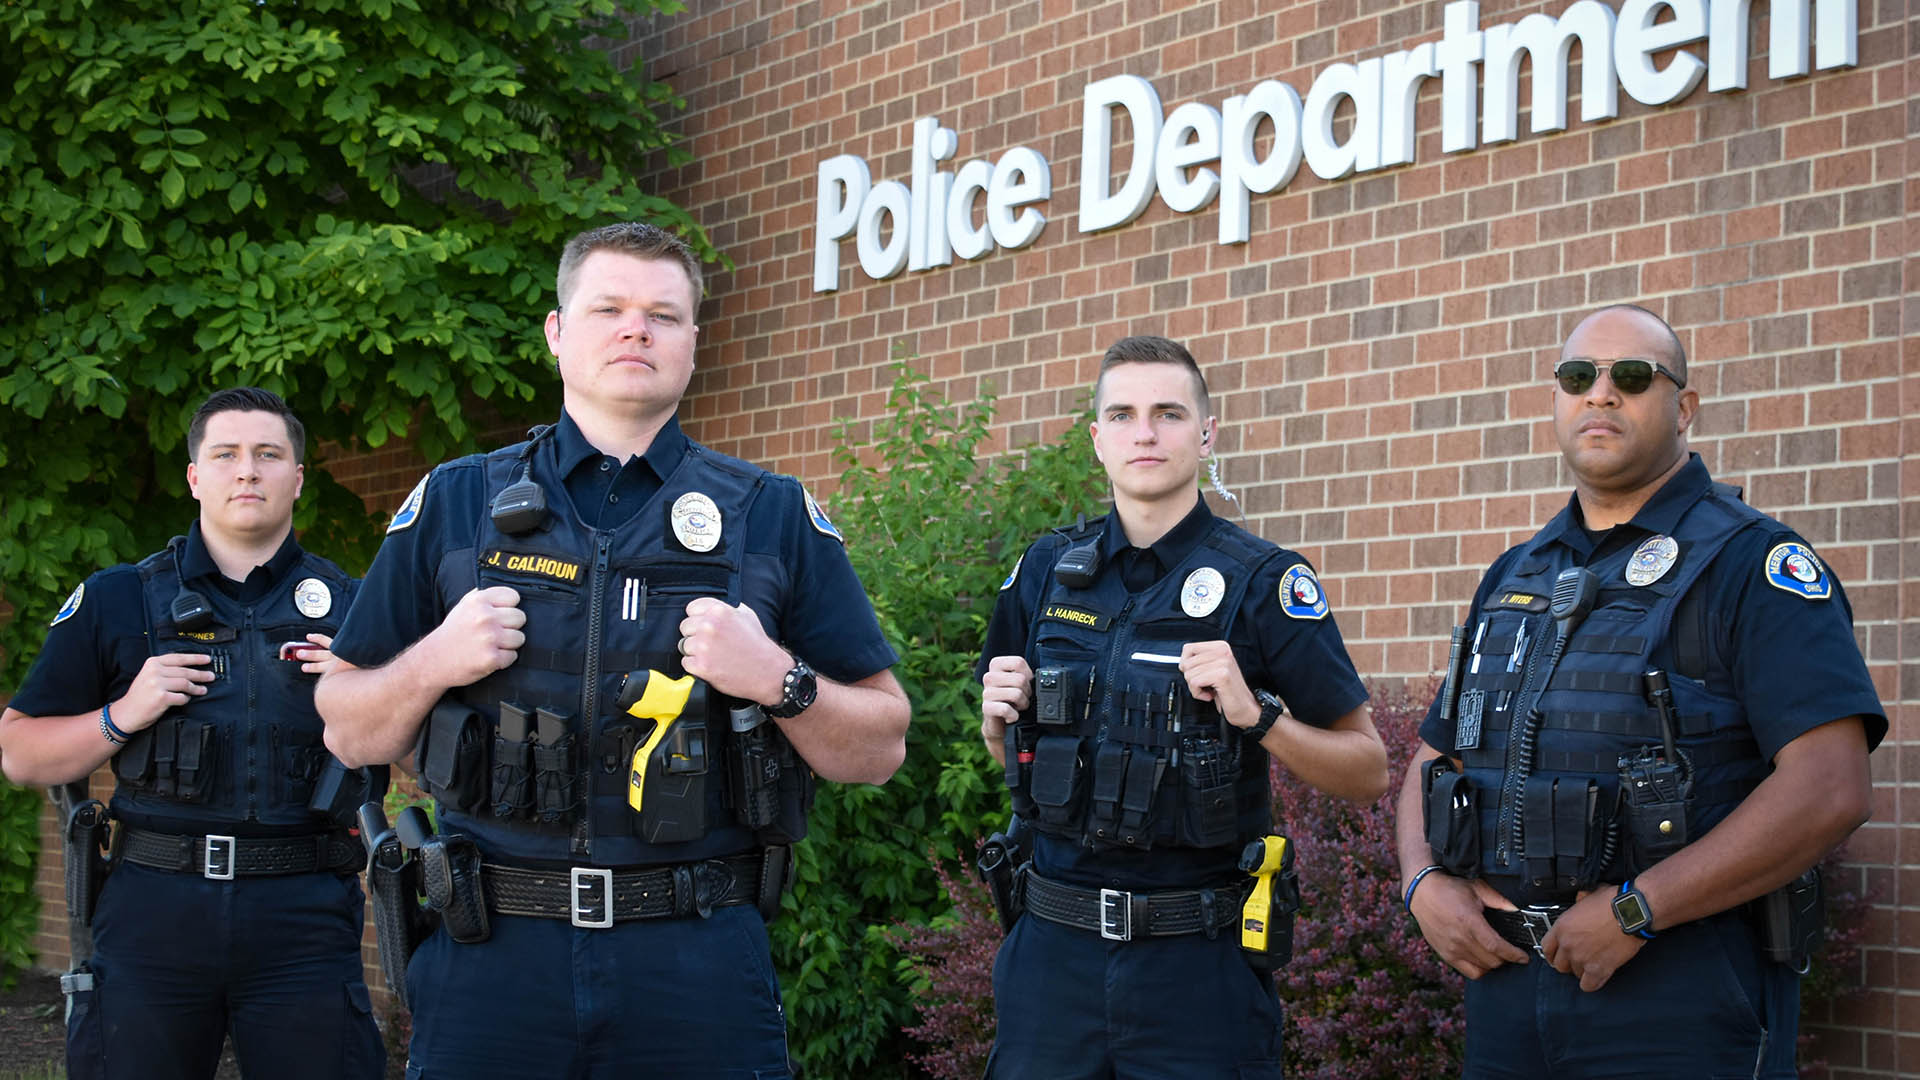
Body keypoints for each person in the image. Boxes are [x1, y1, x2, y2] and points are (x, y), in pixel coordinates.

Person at [315, 221, 910, 1077]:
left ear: (693, 344)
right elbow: (346, 729)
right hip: (494, 960)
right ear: (558, 334)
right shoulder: (457, 502)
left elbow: (882, 744)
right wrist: (437, 659)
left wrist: (779, 679)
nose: (637, 329)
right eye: (610, 308)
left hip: (695, 965)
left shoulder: (770, 514)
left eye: (663, 315)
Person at [1394, 304, 1885, 1077]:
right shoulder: (1517, 573)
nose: (1600, 394)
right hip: (1509, 990)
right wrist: (1421, 882)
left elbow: (1831, 787)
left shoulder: (1753, 564)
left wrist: (1637, 910)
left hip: (1683, 996)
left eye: (1631, 376)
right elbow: (1435, 753)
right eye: (1578, 377)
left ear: (1682, 407)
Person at [976, 335, 1390, 1078]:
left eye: (1168, 413)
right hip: (1049, 967)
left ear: (1205, 434)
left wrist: (1259, 718)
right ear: (1096, 439)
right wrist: (993, 725)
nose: (1145, 432)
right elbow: (1014, 756)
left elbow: (1367, 769)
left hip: (1196, 972)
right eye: (1124, 414)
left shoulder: (1265, 581)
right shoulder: (1046, 572)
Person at [0, 387, 384, 1080]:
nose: (247, 471)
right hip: (155, 910)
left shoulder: (355, 607)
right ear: (195, 476)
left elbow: (413, 751)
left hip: (303, 914)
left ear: (297, 477)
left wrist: (362, 689)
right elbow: (20, 752)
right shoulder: (119, 598)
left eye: (269, 454)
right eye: (226, 454)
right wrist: (123, 714)